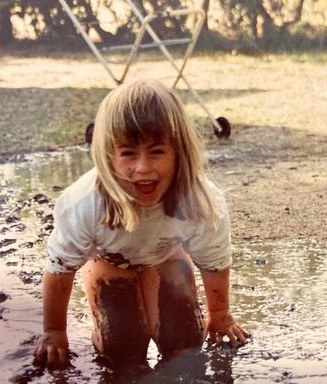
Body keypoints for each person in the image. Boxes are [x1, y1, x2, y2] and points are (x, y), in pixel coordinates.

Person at [34, 79, 249, 369]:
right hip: (109, 262)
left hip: (166, 256)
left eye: (157, 151)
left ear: (179, 151)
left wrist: (221, 316)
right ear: (109, 155)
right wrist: (54, 331)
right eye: (128, 153)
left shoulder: (201, 200)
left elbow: (214, 262)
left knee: (184, 344)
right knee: (121, 350)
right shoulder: (85, 202)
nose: (143, 168)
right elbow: (60, 268)